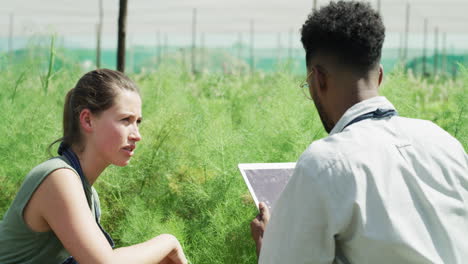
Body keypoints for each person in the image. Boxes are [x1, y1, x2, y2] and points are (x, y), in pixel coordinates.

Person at [251, 1, 468, 263]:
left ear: (318, 79)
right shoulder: (444, 143)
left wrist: (268, 243)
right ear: (379, 76)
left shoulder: (324, 165)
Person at [0, 69, 188, 264]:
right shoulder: (58, 177)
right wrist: (169, 242)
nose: (136, 135)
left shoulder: (88, 194)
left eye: (138, 122)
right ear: (87, 120)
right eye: (126, 120)